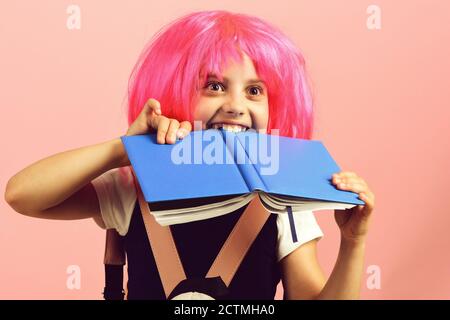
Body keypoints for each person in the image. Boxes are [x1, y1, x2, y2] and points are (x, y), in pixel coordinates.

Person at [4, 10, 375, 300]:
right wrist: (125, 149)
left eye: (255, 91)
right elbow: (23, 195)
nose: (235, 106)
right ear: (174, 89)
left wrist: (353, 243)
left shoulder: (284, 201)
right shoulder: (135, 186)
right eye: (214, 86)